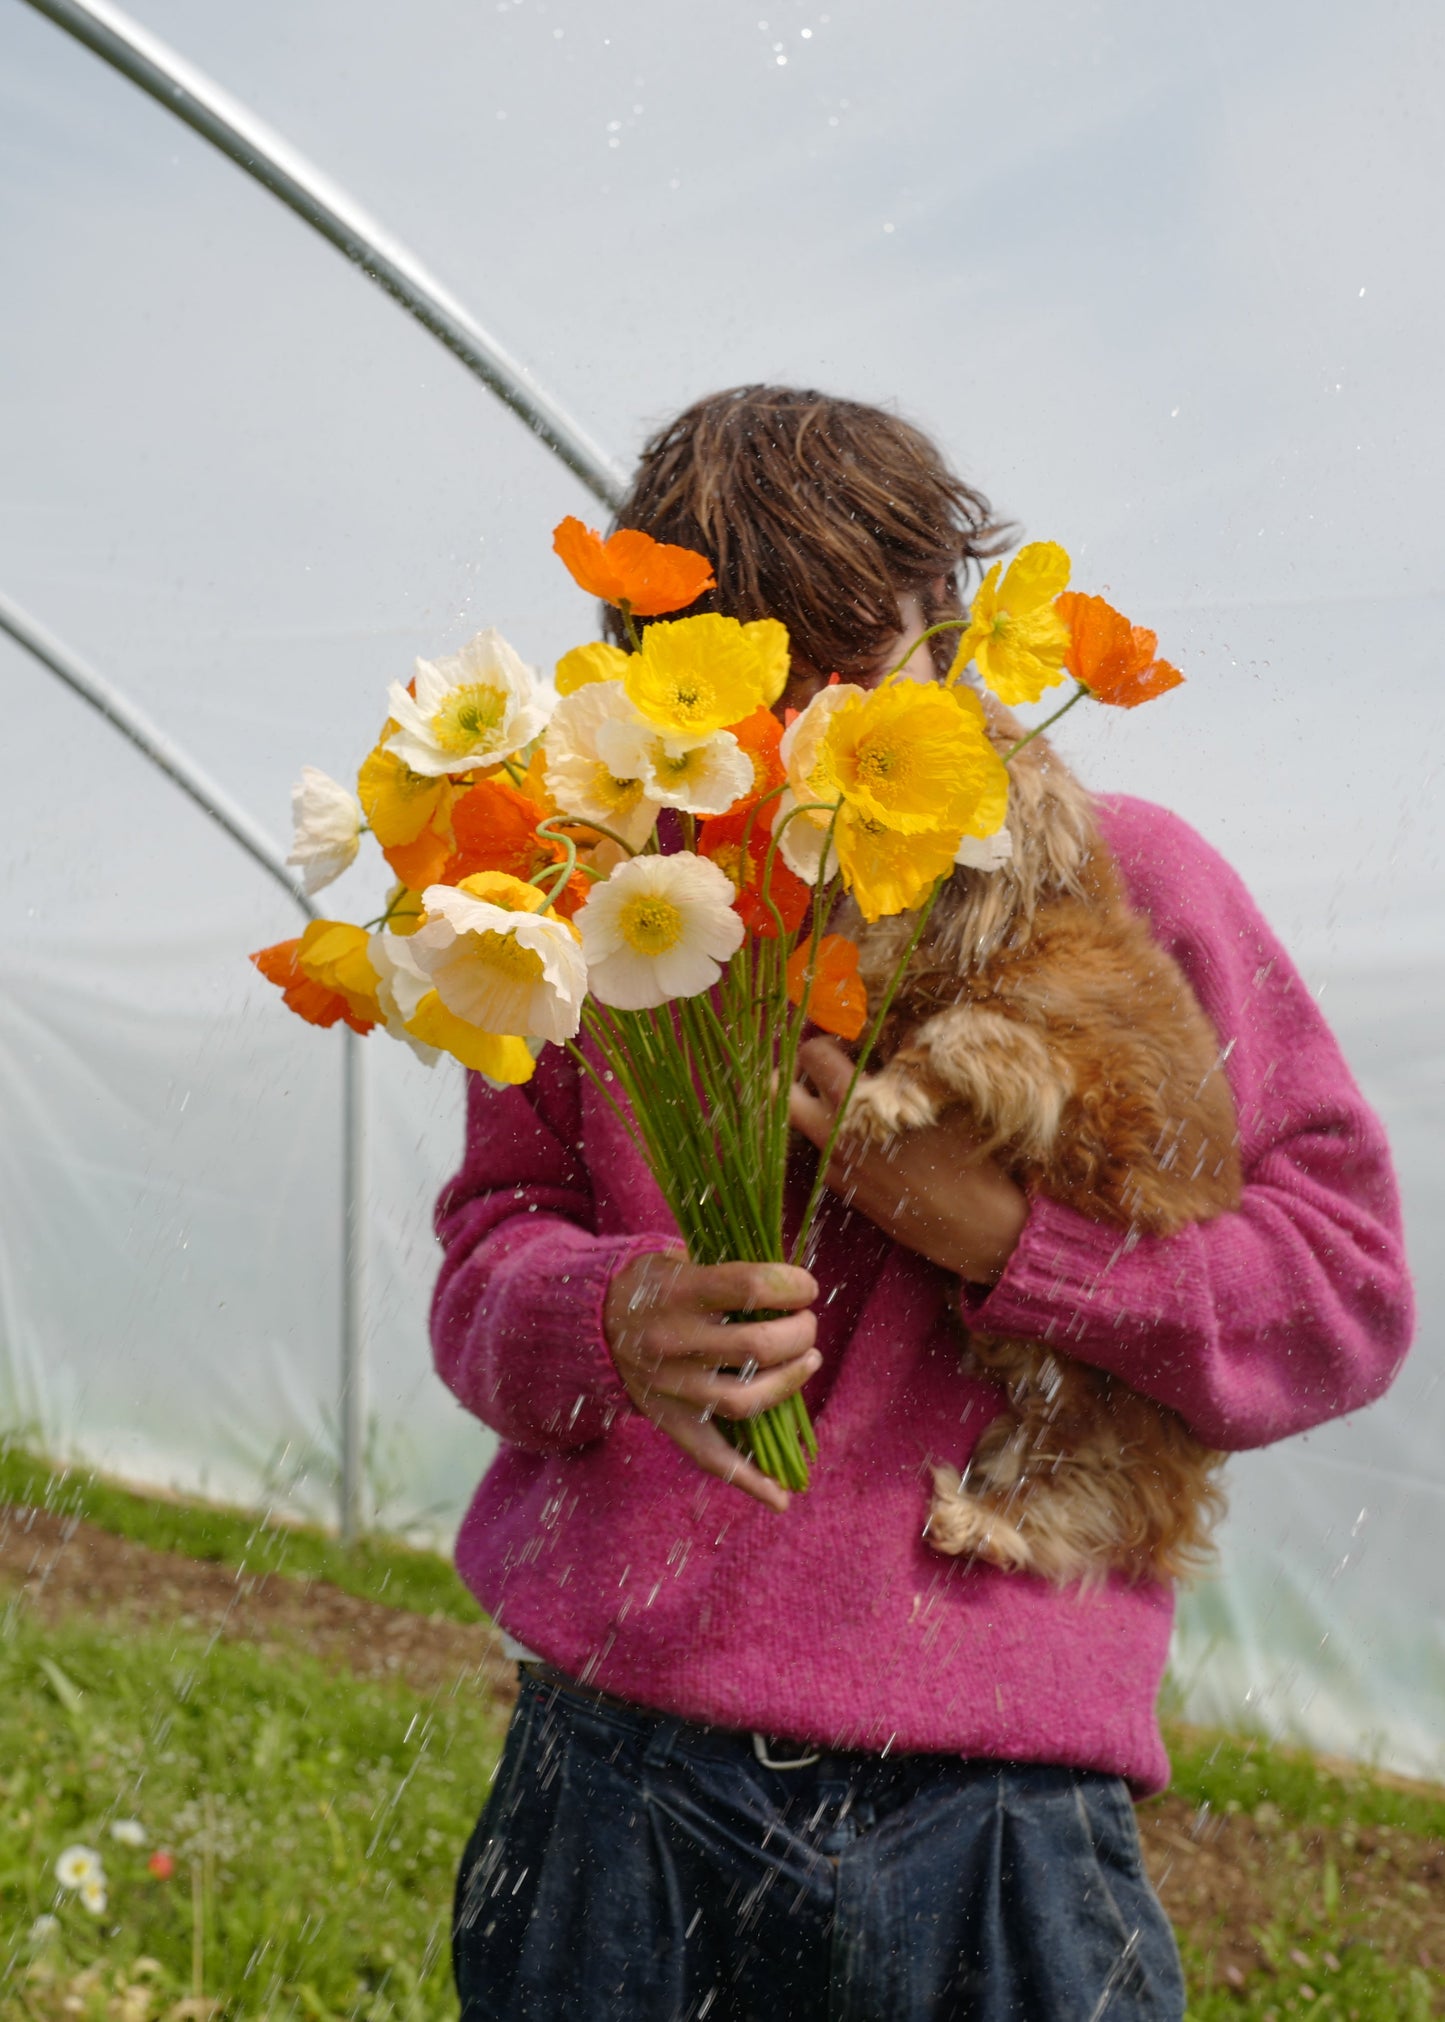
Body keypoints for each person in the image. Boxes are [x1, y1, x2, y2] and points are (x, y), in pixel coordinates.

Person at [432, 386, 1413, 2020]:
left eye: (856, 662)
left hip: (998, 1813)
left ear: (945, 631)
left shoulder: (1130, 879)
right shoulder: (591, 902)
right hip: (616, 1767)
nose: (811, 725)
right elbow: (485, 1263)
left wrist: (1015, 1244)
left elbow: (1343, 1292)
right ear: (648, 663)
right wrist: (608, 1316)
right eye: (756, 676)